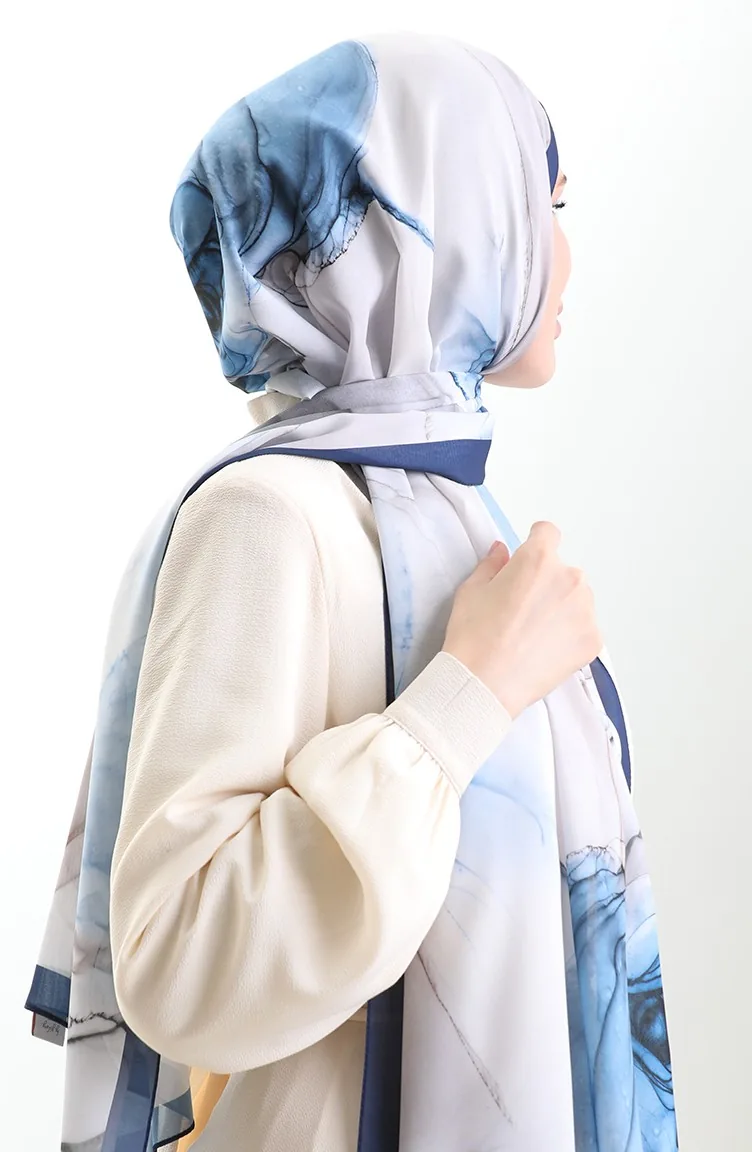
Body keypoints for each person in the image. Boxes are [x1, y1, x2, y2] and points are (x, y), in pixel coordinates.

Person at [26, 31, 678, 1152]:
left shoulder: (445, 511)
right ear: (444, 220)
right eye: (548, 204)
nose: (565, 252)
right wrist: (467, 695)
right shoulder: (270, 513)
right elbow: (176, 960)